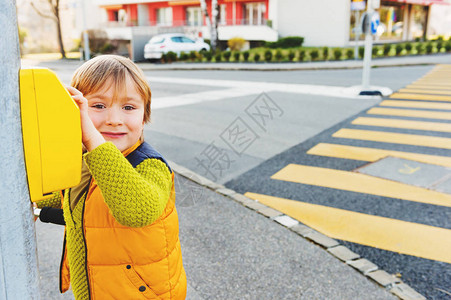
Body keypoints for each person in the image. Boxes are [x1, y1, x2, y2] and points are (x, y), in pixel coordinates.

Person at [35, 55, 187, 300]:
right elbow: (67, 192)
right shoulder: (84, 161)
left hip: (141, 294)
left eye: (128, 108)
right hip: (97, 288)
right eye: (98, 106)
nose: (114, 120)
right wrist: (34, 201)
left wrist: (92, 140)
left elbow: (137, 211)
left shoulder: (149, 165)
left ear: (144, 116)